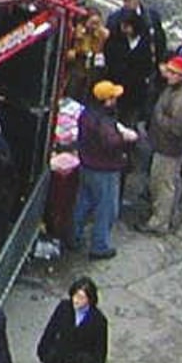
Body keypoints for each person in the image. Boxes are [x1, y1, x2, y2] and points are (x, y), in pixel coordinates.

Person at [70, 81, 136, 260]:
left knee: (83, 202)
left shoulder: (87, 114)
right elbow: (110, 143)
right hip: (104, 169)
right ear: (107, 100)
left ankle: (73, 237)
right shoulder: (103, 120)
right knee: (106, 209)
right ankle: (100, 246)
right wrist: (126, 137)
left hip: (87, 165)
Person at [142, 53, 182, 236]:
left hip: (168, 148)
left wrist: (158, 117)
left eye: (171, 72)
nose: (167, 75)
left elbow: (177, 128)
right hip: (172, 147)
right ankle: (170, 215)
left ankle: (159, 222)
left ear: (181, 76)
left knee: (162, 184)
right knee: (172, 182)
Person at [101, 0, 166, 120]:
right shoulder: (115, 20)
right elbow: (109, 51)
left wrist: (160, 62)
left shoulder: (151, 18)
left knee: (132, 111)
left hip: (137, 84)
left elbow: (159, 42)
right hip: (118, 80)